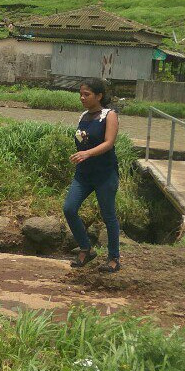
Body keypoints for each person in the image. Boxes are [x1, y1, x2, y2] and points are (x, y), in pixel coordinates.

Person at [63, 78, 121, 273]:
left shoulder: (109, 115)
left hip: (105, 174)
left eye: (86, 94)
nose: (82, 98)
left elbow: (109, 143)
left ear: (99, 96)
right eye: (80, 94)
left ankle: (114, 258)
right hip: (84, 174)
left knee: (108, 215)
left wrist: (87, 153)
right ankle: (86, 248)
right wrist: (82, 153)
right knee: (69, 209)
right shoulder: (83, 116)